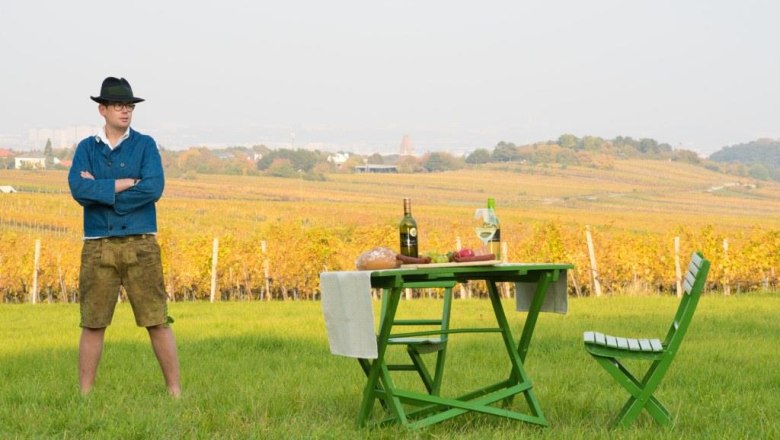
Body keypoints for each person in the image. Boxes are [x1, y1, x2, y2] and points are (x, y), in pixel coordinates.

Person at [68, 77, 180, 397]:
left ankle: (175, 392)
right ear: (102, 109)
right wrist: (124, 183)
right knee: (92, 322)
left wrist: (101, 191)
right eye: (118, 105)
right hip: (96, 245)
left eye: (129, 106)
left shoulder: (145, 145)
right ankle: (84, 396)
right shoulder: (86, 148)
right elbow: (79, 188)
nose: (125, 111)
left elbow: (153, 188)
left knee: (157, 319)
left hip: (141, 243)